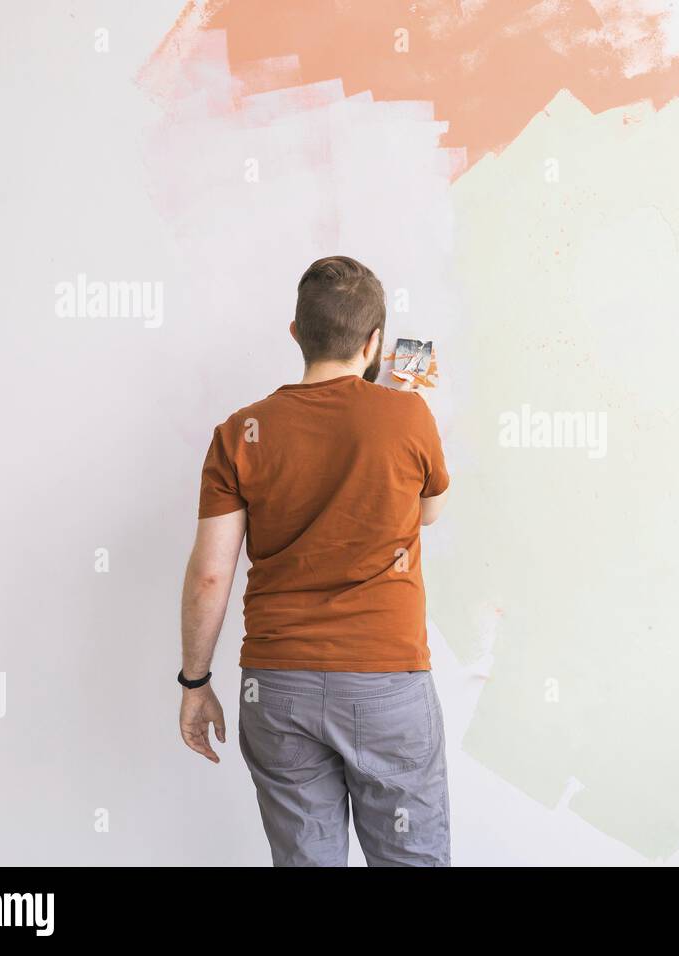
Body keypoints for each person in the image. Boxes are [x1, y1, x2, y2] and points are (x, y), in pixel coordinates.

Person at [175, 255, 451, 866]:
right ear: (375, 341)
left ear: (297, 332)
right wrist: (393, 410)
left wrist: (195, 683)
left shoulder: (239, 432)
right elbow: (428, 513)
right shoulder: (408, 414)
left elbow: (212, 573)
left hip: (277, 688)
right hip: (387, 681)